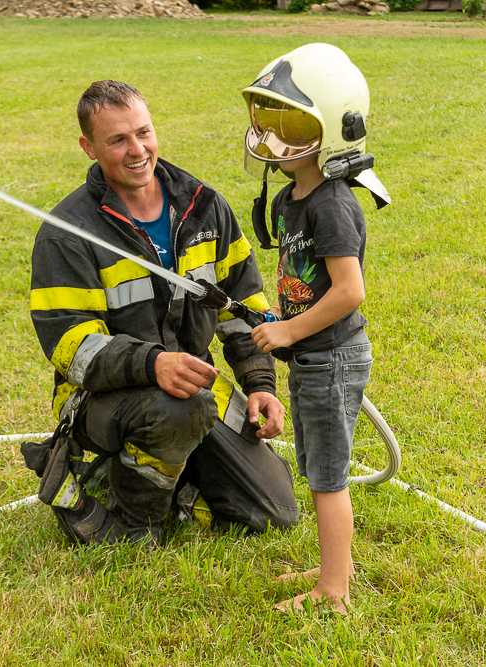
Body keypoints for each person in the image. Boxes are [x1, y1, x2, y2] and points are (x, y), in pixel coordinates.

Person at [24, 80, 298, 549]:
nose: (137, 150)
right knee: (179, 410)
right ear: (88, 147)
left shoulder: (204, 207)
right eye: (117, 140)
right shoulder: (68, 233)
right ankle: (133, 522)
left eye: (143, 132)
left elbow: (245, 308)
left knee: (274, 511)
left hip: (192, 387)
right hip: (98, 398)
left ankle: (148, 475)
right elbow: (73, 349)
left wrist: (260, 386)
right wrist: (154, 364)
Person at [243, 44, 387, 614]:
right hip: (310, 353)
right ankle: (336, 565)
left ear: (331, 130)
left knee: (328, 479)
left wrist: (289, 331)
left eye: (292, 122)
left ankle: (333, 592)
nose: (274, 135)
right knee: (316, 468)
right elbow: (303, 278)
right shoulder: (290, 197)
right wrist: (283, 323)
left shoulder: (331, 204)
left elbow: (350, 291)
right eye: (269, 117)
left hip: (332, 358)